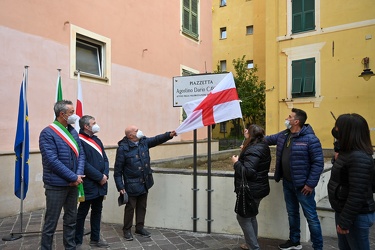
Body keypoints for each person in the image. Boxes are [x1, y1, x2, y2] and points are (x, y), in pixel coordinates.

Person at [265, 108, 324, 250]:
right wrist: (251, 136)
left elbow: (318, 163)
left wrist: (310, 184)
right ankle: (294, 241)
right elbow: (268, 139)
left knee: (311, 217)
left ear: (296, 121)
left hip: (304, 187)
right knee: (292, 213)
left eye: (289, 117)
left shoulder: (310, 139)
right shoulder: (284, 135)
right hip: (288, 183)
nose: (287, 118)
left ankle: (318, 247)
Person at [113, 125, 177, 240]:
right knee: (130, 208)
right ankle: (127, 230)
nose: (139, 131)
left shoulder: (143, 142)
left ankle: (140, 227)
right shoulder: (123, 148)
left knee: (142, 206)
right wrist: (120, 186)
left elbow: (156, 139)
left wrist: (169, 135)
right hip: (131, 184)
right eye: (136, 131)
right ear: (131, 135)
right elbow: (118, 170)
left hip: (144, 181)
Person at [39, 100, 85, 250]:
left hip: (73, 184)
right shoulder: (48, 133)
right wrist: (73, 177)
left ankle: (70, 247)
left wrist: (77, 175)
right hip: (56, 185)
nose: (75, 115)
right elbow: (52, 161)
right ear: (62, 114)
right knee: (51, 222)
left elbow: (81, 154)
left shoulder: (72, 131)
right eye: (71, 112)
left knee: (71, 220)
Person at [327, 113, 375, 250]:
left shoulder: (359, 157)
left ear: (347, 132)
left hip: (355, 216)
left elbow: (357, 194)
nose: (335, 131)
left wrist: (345, 221)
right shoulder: (348, 153)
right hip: (344, 211)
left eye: (337, 128)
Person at [231, 124, 271, 250]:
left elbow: (248, 172)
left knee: (243, 218)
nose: (245, 131)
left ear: (252, 134)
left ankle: (254, 247)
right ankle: (251, 244)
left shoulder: (253, 149)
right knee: (251, 215)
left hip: (251, 190)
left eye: (248, 130)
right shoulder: (260, 145)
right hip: (258, 188)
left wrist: (236, 163)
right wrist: (245, 151)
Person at [75, 115, 109, 248]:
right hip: (89, 183)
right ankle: (77, 241)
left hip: (101, 183)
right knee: (82, 213)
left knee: (97, 211)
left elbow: (105, 159)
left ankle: (95, 238)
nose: (96, 125)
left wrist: (105, 174)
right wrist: (99, 177)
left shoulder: (97, 140)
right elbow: (84, 164)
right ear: (86, 126)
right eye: (93, 123)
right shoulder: (79, 140)